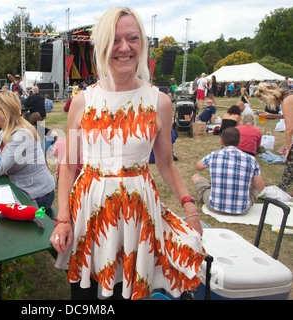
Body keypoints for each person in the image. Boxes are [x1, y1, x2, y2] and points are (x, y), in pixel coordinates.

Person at [50, 7, 206, 300]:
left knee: (128, 291)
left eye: (132, 38)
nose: (124, 47)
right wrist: (63, 219)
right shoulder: (82, 102)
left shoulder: (159, 101)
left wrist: (190, 206)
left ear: (142, 44)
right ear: (102, 46)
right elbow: (68, 165)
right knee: (85, 295)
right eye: (115, 39)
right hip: (89, 214)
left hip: (137, 215)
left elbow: (165, 164)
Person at [0, 91, 55, 209]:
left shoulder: (22, 134)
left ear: (3, 112)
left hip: (38, 195)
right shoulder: (5, 131)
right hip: (22, 188)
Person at [192, 127, 265, 215]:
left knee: (196, 177)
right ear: (240, 142)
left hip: (215, 207)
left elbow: (198, 167)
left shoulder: (214, 155)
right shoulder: (251, 159)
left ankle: (212, 190)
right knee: (254, 185)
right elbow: (260, 187)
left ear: (221, 142)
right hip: (242, 209)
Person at [255, 82, 293, 194]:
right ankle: (282, 188)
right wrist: (271, 115)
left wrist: (287, 149)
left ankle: (281, 189)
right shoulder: (288, 97)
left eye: (264, 100)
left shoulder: (287, 100)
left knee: (290, 160)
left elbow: (289, 127)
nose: (266, 103)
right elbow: (288, 115)